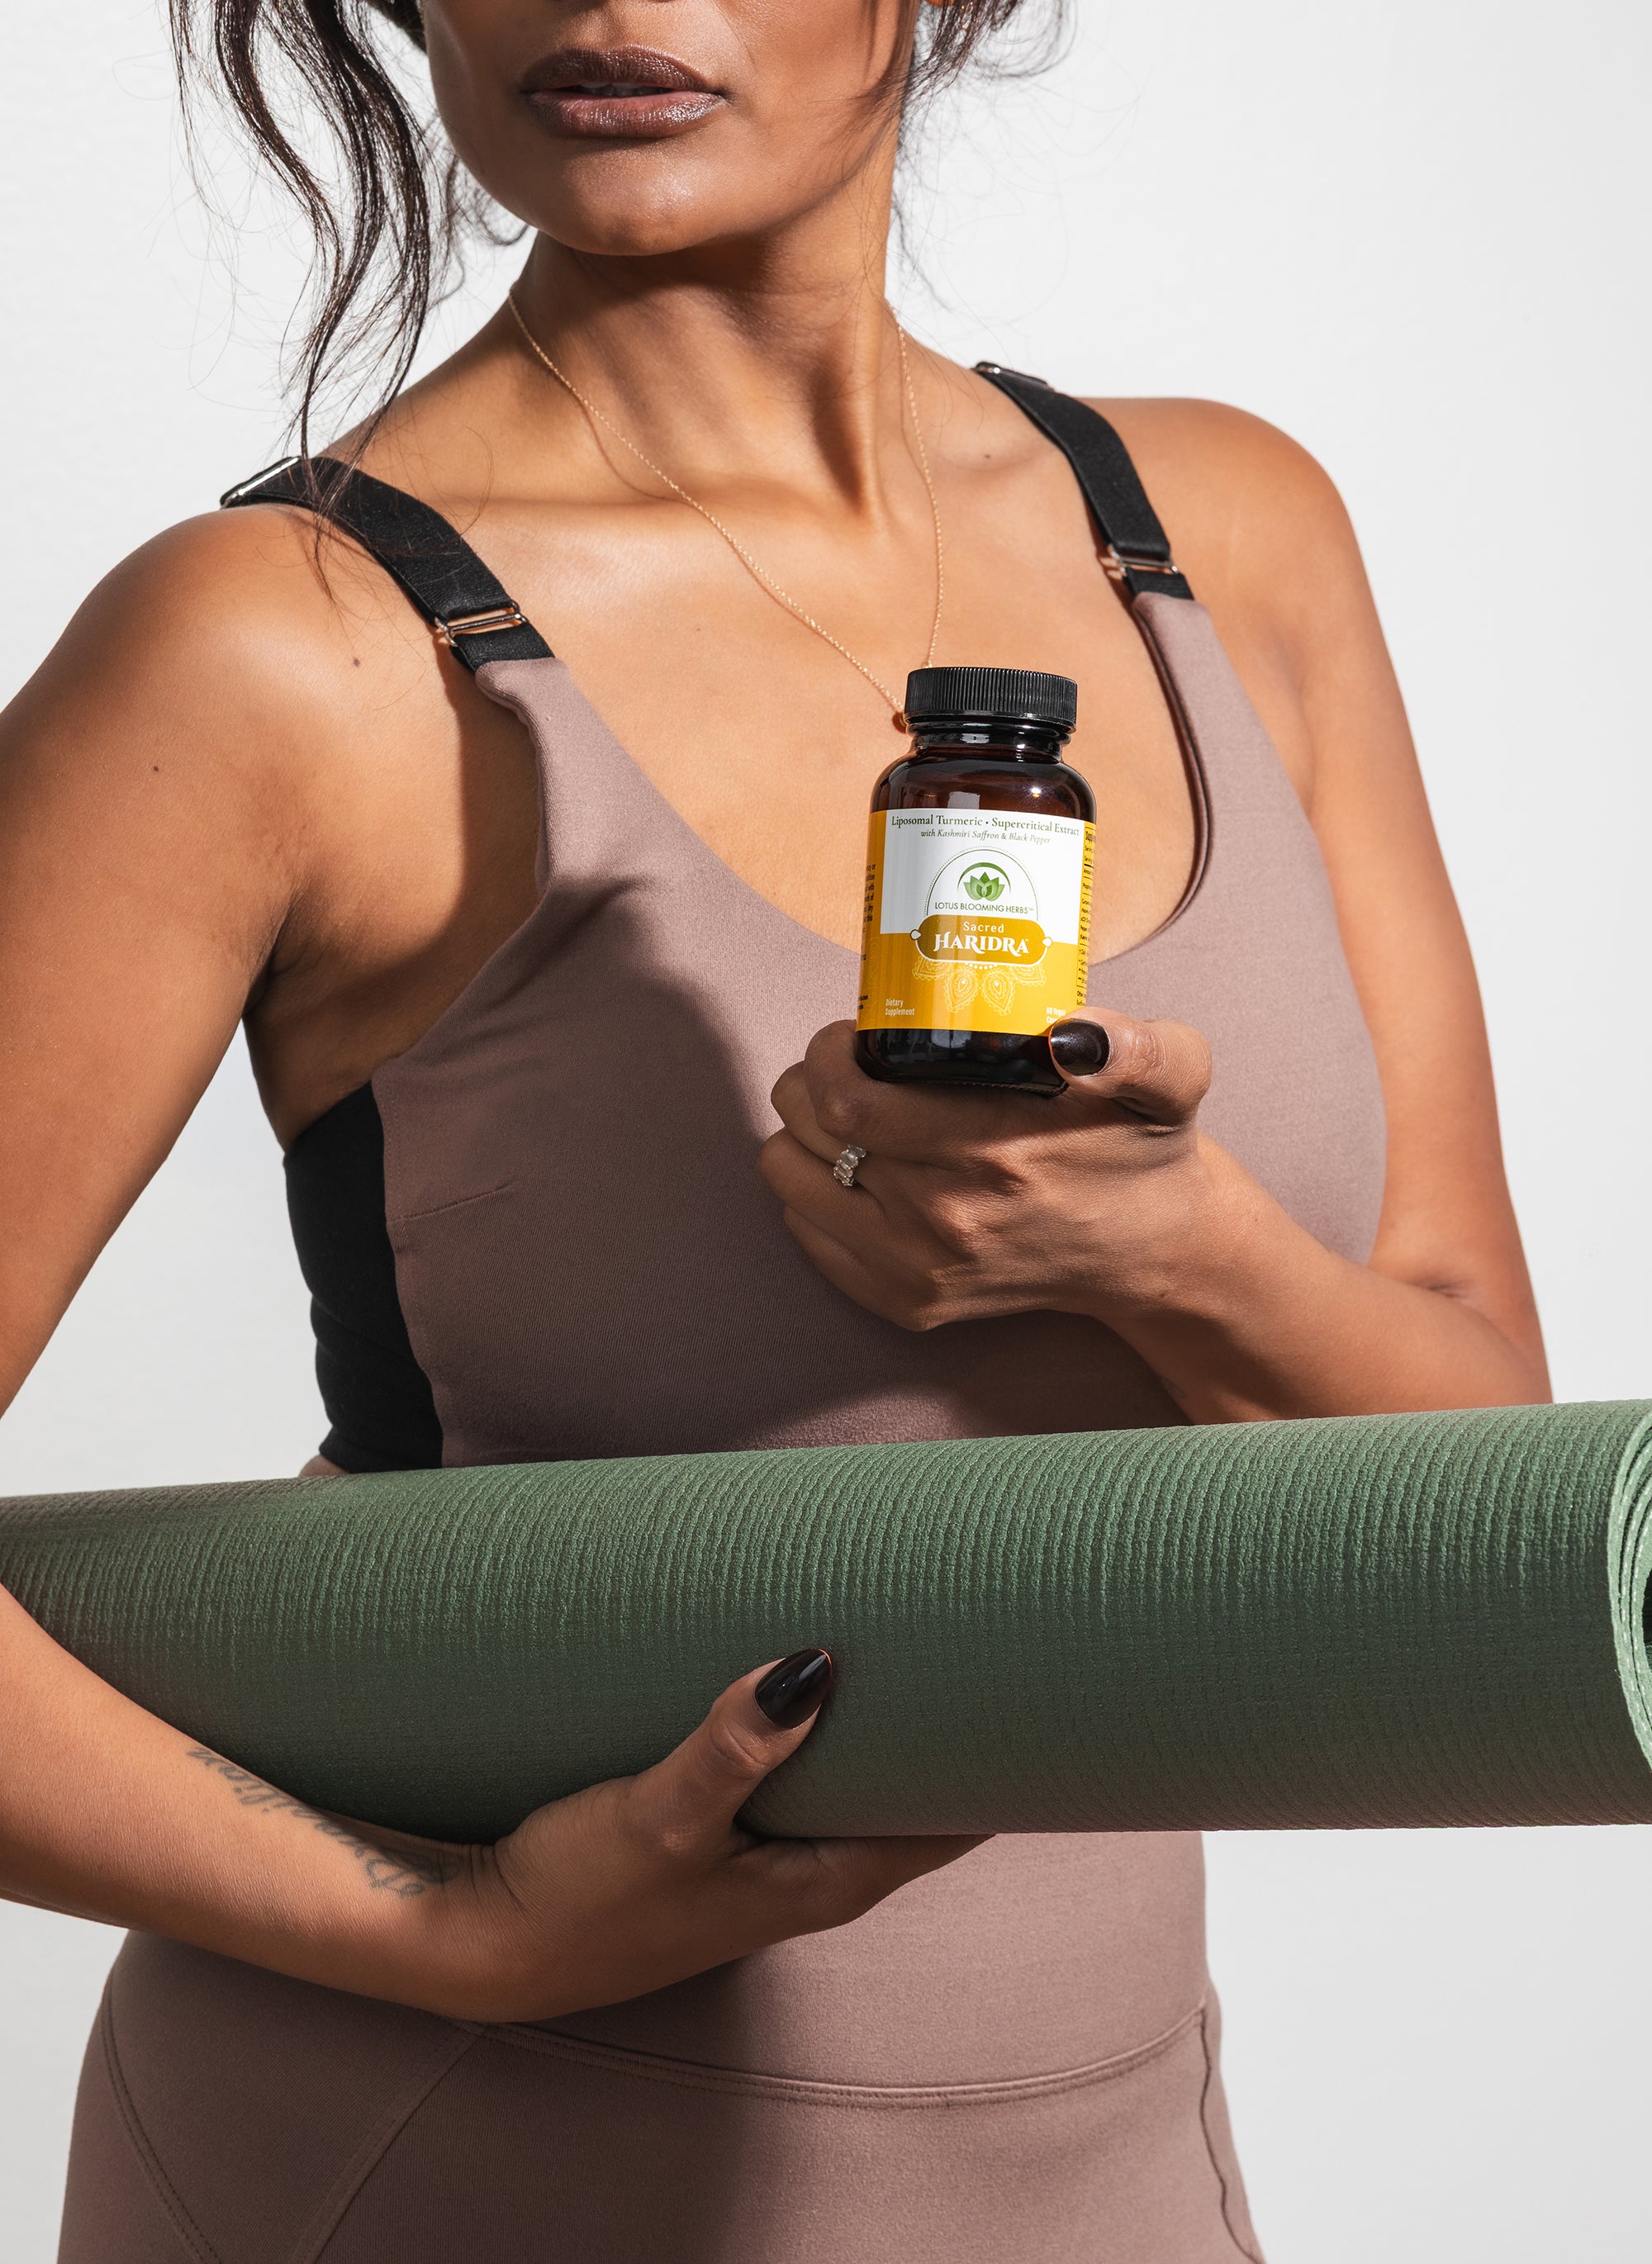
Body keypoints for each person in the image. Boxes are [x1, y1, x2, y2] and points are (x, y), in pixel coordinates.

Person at [0, 0, 1549, 2255]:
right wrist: (451, 1935)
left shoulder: (1221, 539)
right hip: (461, 2133)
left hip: (1107, 2150)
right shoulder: (279, 651)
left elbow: (1472, 1465)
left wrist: (1169, 1252)